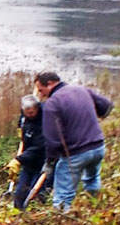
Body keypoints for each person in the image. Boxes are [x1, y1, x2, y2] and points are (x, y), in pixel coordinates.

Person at [34, 72, 113, 211]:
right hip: (98, 147)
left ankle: (63, 223)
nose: (41, 95)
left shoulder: (52, 104)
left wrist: (50, 162)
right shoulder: (81, 89)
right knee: (92, 180)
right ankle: (94, 210)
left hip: (75, 153)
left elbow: (52, 139)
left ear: (51, 83)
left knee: (63, 196)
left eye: (41, 90)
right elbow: (106, 106)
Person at [10, 94, 48, 209]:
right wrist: (21, 131)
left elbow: (39, 148)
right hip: (28, 163)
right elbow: (21, 126)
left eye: (31, 113)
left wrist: (18, 160)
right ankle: (17, 216)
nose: (29, 115)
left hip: (42, 163)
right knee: (20, 194)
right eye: (26, 112)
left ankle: (35, 217)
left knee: (36, 194)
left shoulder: (45, 121)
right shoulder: (24, 118)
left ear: (37, 108)